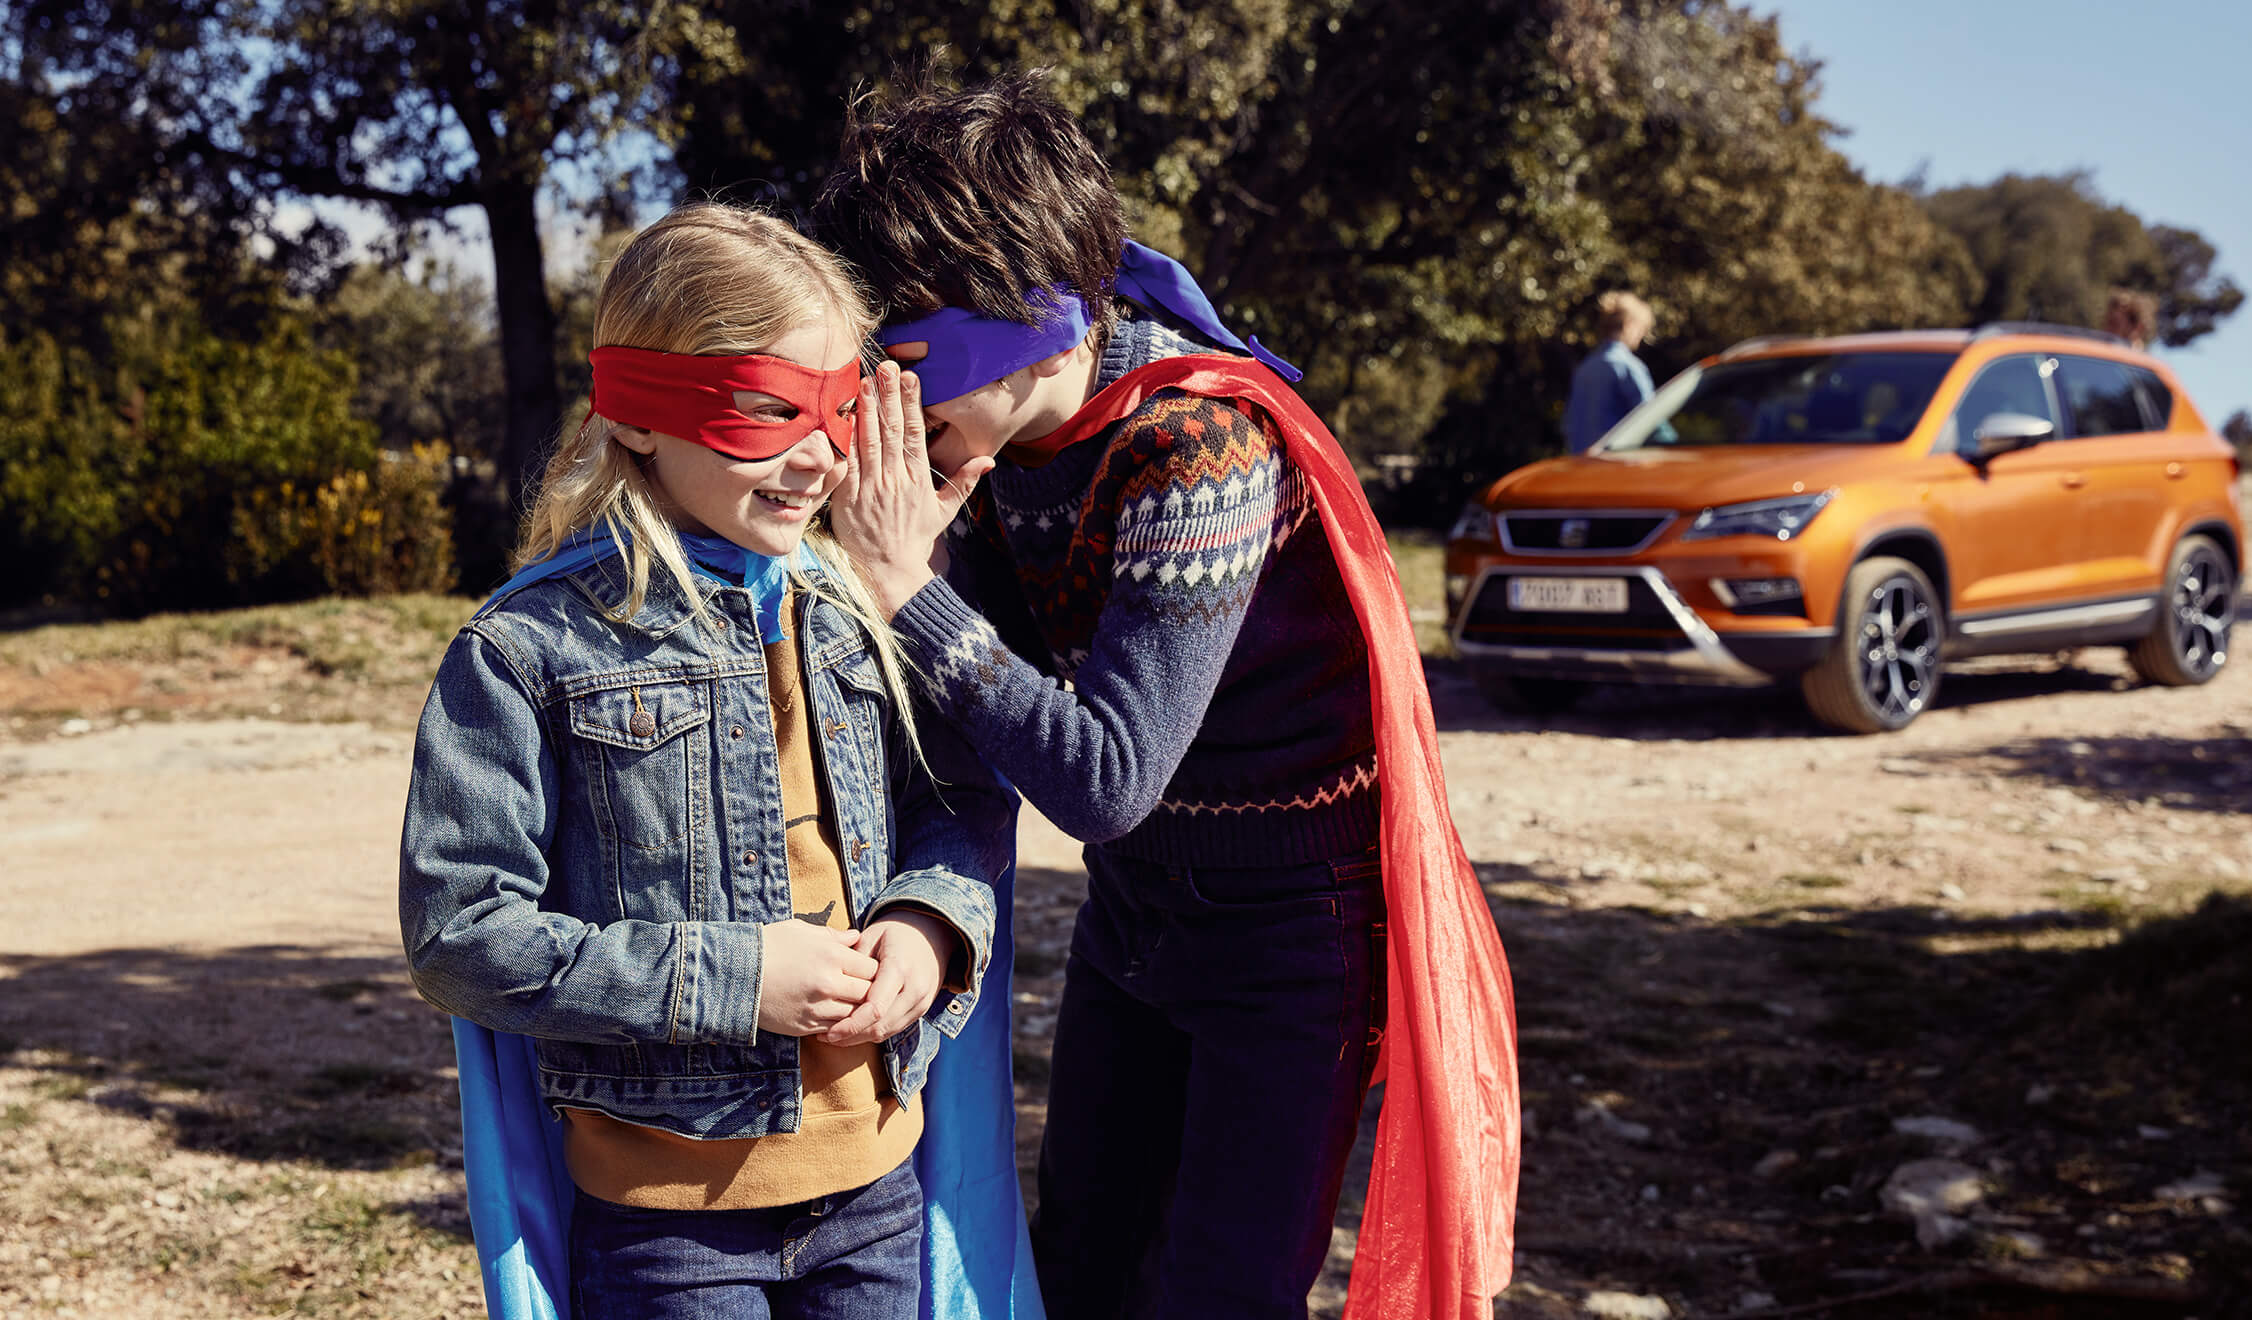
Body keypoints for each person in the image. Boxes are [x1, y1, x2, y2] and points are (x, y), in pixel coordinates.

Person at [809, 74, 1519, 1320]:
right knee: (1084, 1255)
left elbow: (1104, 780)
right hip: (1138, 922)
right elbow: (980, 715)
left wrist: (906, 586)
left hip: (1293, 932)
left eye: (906, 363)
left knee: (1220, 1290)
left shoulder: (1197, 444)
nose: (890, 414)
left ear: (1017, 317)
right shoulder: (1006, 443)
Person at [398, 203, 1015, 1319]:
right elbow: (460, 935)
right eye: (768, 412)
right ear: (637, 416)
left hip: (876, 1190)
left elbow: (956, 803)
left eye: (838, 411)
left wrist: (931, 921)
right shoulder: (524, 652)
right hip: (665, 1231)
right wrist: (732, 979)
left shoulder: (854, 611)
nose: (820, 456)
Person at [1562, 290, 1658, 452]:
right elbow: (1653, 421)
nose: (1641, 336)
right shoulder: (1628, 366)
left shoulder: (1585, 368)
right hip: (1619, 467)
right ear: (1629, 325)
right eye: (1642, 329)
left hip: (1582, 466)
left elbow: (1570, 425)